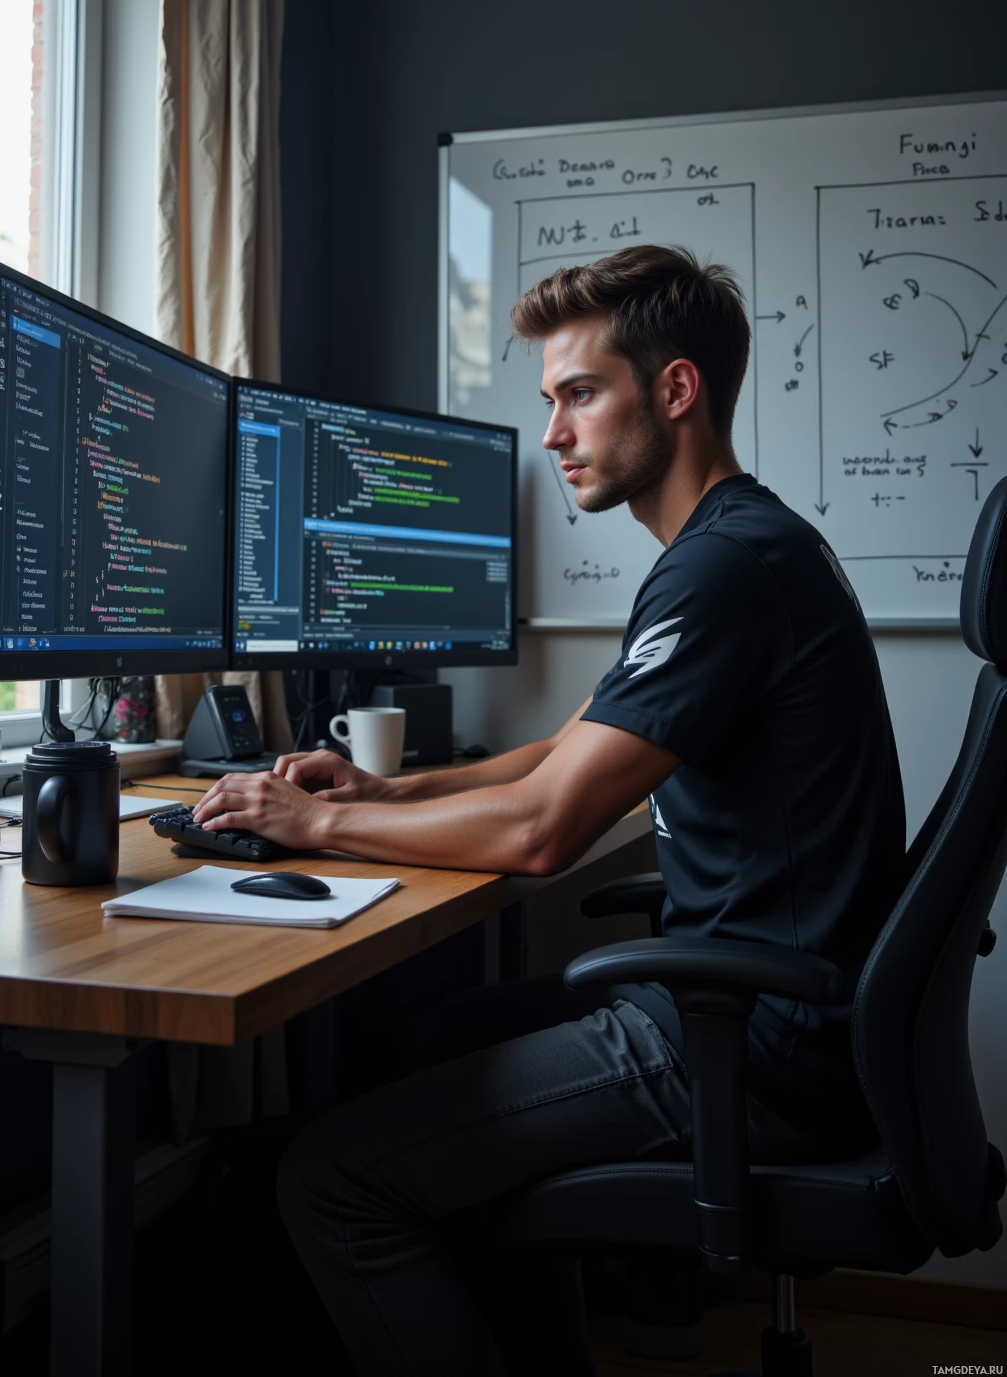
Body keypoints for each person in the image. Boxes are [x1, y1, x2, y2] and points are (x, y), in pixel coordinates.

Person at [192, 245, 907, 1377]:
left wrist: (313, 827)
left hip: (757, 1051)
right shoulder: (734, 547)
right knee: (445, 1037)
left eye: (580, 394)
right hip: (776, 1013)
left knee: (331, 1185)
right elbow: (566, 748)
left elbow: (540, 832)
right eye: (549, 401)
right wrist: (387, 791)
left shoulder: (725, 569)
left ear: (674, 392)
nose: (554, 435)